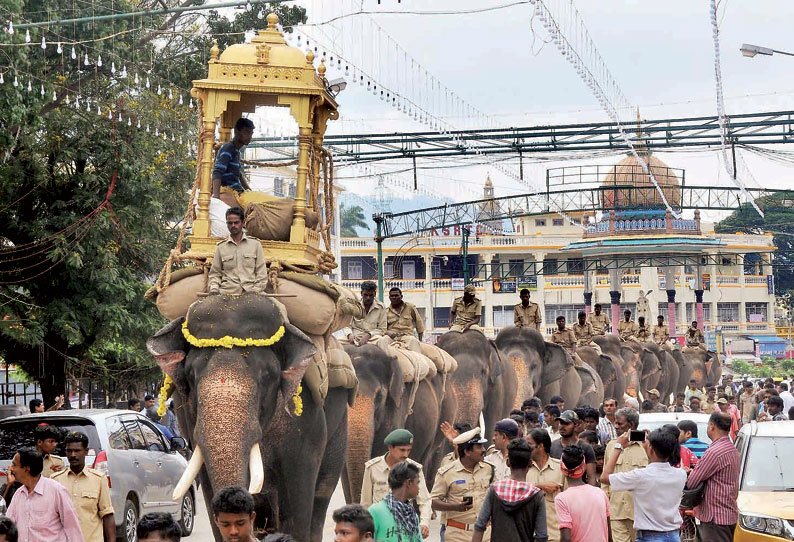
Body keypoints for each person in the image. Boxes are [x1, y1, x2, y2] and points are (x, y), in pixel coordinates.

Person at [601, 428, 687, 542]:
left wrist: (618, 447)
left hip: (649, 536)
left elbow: (604, 478)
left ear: (650, 448)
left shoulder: (640, 476)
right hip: (673, 535)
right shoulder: (680, 474)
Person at [360, 429, 431, 538]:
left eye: (408, 450)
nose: (405, 454)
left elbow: (425, 500)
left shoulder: (414, 469)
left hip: (405, 526)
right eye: (402, 450)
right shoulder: (372, 468)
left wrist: (424, 523)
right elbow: (365, 503)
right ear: (390, 447)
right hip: (380, 526)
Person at [473, 439, 547, 542]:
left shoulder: (494, 490)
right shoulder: (537, 495)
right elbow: (541, 536)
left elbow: (480, 525)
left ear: (508, 462)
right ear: (530, 464)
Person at [430, 426, 493, 542]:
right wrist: (455, 507)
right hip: (457, 535)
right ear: (467, 451)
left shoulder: (489, 469)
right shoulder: (447, 472)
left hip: (485, 534)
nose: (484, 450)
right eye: (479, 447)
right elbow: (432, 501)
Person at [6, 447, 83, 542]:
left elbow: (73, 529)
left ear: (26, 469)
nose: (11, 468)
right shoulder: (19, 494)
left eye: (14, 465)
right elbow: (8, 527)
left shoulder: (56, 491)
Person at [685, 412, 740, 542]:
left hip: (715, 516)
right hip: (727, 513)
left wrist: (691, 473)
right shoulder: (732, 449)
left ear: (712, 426)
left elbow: (692, 482)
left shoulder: (714, 452)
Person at [52, 432, 114, 542]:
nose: (73, 455)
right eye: (69, 451)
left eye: (77, 451)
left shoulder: (99, 479)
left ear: (86, 451)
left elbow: (107, 515)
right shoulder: (55, 480)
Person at [602, 408, 648, 542]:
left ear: (632, 425)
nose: (616, 427)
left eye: (620, 424)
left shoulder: (646, 447)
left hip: (640, 512)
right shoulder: (611, 446)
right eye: (615, 423)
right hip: (617, 510)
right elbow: (605, 479)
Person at [555, 444, 611, 542]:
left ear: (562, 468)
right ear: (584, 466)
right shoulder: (600, 493)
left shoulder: (562, 499)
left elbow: (566, 538)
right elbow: (609, 532)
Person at [208, 207, 267, 296]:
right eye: (230, 223)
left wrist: (256, 290)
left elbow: (261, 274)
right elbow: (215, 273)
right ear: (227, 224)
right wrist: (214, 288)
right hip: (227, 293)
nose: (233, 226)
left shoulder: (255, 245)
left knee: (280, 308)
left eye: (236, 222)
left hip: (252, 292)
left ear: (243, 223)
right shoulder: (221, 247)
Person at [525, 428, 564, 542]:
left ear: (541, 446)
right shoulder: (522, 468)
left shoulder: (560, 468)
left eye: (529, 444)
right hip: (528, 534)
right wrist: (540, 486)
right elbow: (516, 492)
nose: (526, 448)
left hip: (554, 534)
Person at [368, 463, 423, 542]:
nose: (418, 488)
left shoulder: (412, 515)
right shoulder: (375, 512)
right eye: (417, 483)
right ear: (409, 483)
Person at [549, 411, 597, 486]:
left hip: (579, 492)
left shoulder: (586, 448)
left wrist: (591, 495)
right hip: (556, 490)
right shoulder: (552, 446)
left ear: (576, 425)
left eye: (567, 424)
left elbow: (591, 477)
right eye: (561, 423)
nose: (562, 427)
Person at [211, 117, 254, 199]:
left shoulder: (236, 151)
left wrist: (250, 192)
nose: (249, 136)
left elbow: (239, 175)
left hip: (239, 192)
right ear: (236, 132)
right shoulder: (228, 148)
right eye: (246, 132)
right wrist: (216, 198)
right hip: (231, 192)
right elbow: (217, 172)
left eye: (251, 133)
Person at [383, 287, 425, 352]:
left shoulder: (410, 307)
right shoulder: (386, 311)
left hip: (407, 336)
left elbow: (419, 323)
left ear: (401, 296)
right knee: (383, 341)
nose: (394, 297)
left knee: (414, 341)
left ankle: (418, 361)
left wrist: (420, 340)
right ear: (389, 298)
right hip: (392, 337)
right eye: (392, 296)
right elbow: (382, 327)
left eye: (396, 295)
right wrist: (388, 332)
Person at [348, 281, 387, 346]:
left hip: (373, 337)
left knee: (382, 341)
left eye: (371, 295)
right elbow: (347, 325)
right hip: (355, 336)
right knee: (337, 343)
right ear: (361, 293)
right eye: (365, 295)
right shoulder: (354, 306)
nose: (368, 298)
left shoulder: (381, 307)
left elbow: (382, 329)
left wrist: (369, 335)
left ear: (375, 294)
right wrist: (349, 334)